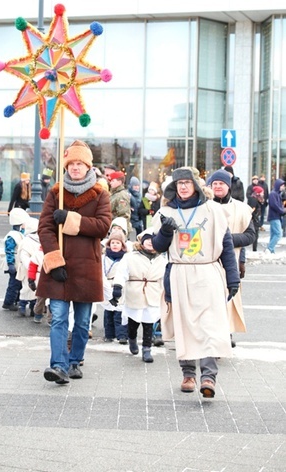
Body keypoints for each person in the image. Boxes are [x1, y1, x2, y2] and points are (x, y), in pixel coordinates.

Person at [152, 167, 240, 398]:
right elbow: (158, 246)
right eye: (179, 183)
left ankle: (209, 376)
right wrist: (165, 231)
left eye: (187, 182)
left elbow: (226, 245)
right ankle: (188, 374)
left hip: (207, 273)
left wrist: (233, 278)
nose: (182, 186)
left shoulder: (212, 210)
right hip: (180, 274)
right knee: (185, 325)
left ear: (196, 185)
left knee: (209, 325)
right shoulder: (165, 211)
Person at [37, 139, 111, 385]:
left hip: (86, 267)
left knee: (81, 321)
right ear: (66, 165)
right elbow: (45, 227)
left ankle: (75, 360)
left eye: (80, 163)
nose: (76, 167)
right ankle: (58, 365)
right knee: (58, 317)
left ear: (88, 166)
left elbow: (102, 226)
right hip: (59, 265)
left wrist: (71, 219)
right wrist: (54, 260)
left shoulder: (100, 194)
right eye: (72, 163)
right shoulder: (56, 193)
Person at [210, 169, 255, 346]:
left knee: (228, 299)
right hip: (208, 263)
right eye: (214, 184)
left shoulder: (241, 209)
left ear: (228, 186)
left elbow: (250, 236)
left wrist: (228, 241)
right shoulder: (203, 206)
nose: (218, 187)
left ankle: (225, 334)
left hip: (231, 262)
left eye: (221, 183)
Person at [111, 228, 166, 363]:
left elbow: (165, 278)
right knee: (133, 322)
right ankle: (132, 338)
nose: (150, 243)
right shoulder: (131, 256)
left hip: (153, 292)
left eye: (153, 240)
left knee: (149, 323)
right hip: (135, 292)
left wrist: (168, 293)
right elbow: (121, 272)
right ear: (141, 241)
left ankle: (147, 349)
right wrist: (118, 287)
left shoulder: (161, 259)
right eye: (147, 240)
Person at [101, 229, 128, 343]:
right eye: (113, 242)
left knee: (120, 312)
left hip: (120, 285)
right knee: (108, 312)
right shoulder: (104, 257)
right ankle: (109, 334)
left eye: (118, 243)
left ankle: (122, 335)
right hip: (107, 284)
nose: (115, 245)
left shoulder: (126, 258)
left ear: (122, 245)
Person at [2, 207, 30, 311]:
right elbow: (9, 250)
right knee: (14, 284)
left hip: (17, 264)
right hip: (14, 264)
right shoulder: (13, 236)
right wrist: (10, 264)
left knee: (17, 283)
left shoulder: (17, 234)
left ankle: (15, 300)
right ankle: (8, 302)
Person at [16, 217, 39, 317]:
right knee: (34, 289)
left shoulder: (25, 241)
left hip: (28, 269)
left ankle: (23, 306)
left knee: (26, 288)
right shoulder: (41, 240)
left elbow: (22, 256)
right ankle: (32, 307)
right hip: (37, 269)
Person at [266, 178, 286, 254]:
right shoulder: (273, 194)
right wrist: (282, 210)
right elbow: (274, 205)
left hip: (275, 216)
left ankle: (271, 250)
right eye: (282, 185)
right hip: (274, 216)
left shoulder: (277, 194)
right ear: (278, 185)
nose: (283, 187)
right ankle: (270, 248)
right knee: (278, 234)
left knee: (274, 234)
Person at [247, 186, 264, 251]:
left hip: (255, 219)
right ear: (258, 193)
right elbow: (252, 210)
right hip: (253, 220)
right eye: (262, 192)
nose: (263, 194)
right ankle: (254, 250)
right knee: (255, 235)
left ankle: (255, 249)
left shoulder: (257, 199)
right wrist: (256, 219)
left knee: (256, 235)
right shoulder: (253, 200)